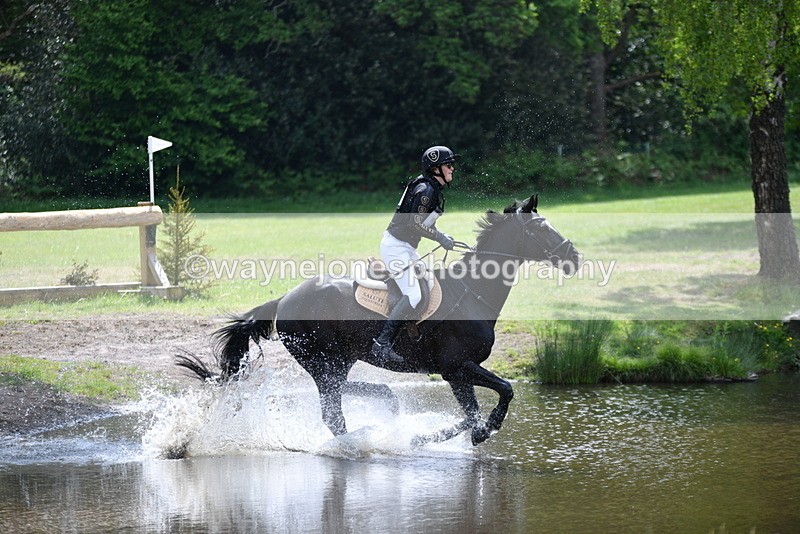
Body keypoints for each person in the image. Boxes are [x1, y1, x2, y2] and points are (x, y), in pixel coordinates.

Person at [369, 145, 458, 366]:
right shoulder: (426, 190)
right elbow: (415, 223)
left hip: (405, 247)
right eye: (448, 165)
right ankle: (382, 344)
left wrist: (441, 235)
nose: (452, 169)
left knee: (429, 283)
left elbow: (422, 223)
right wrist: (440, 237)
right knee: (414, 294)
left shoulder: (429, 187)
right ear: (436, 169)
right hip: (395, 247)